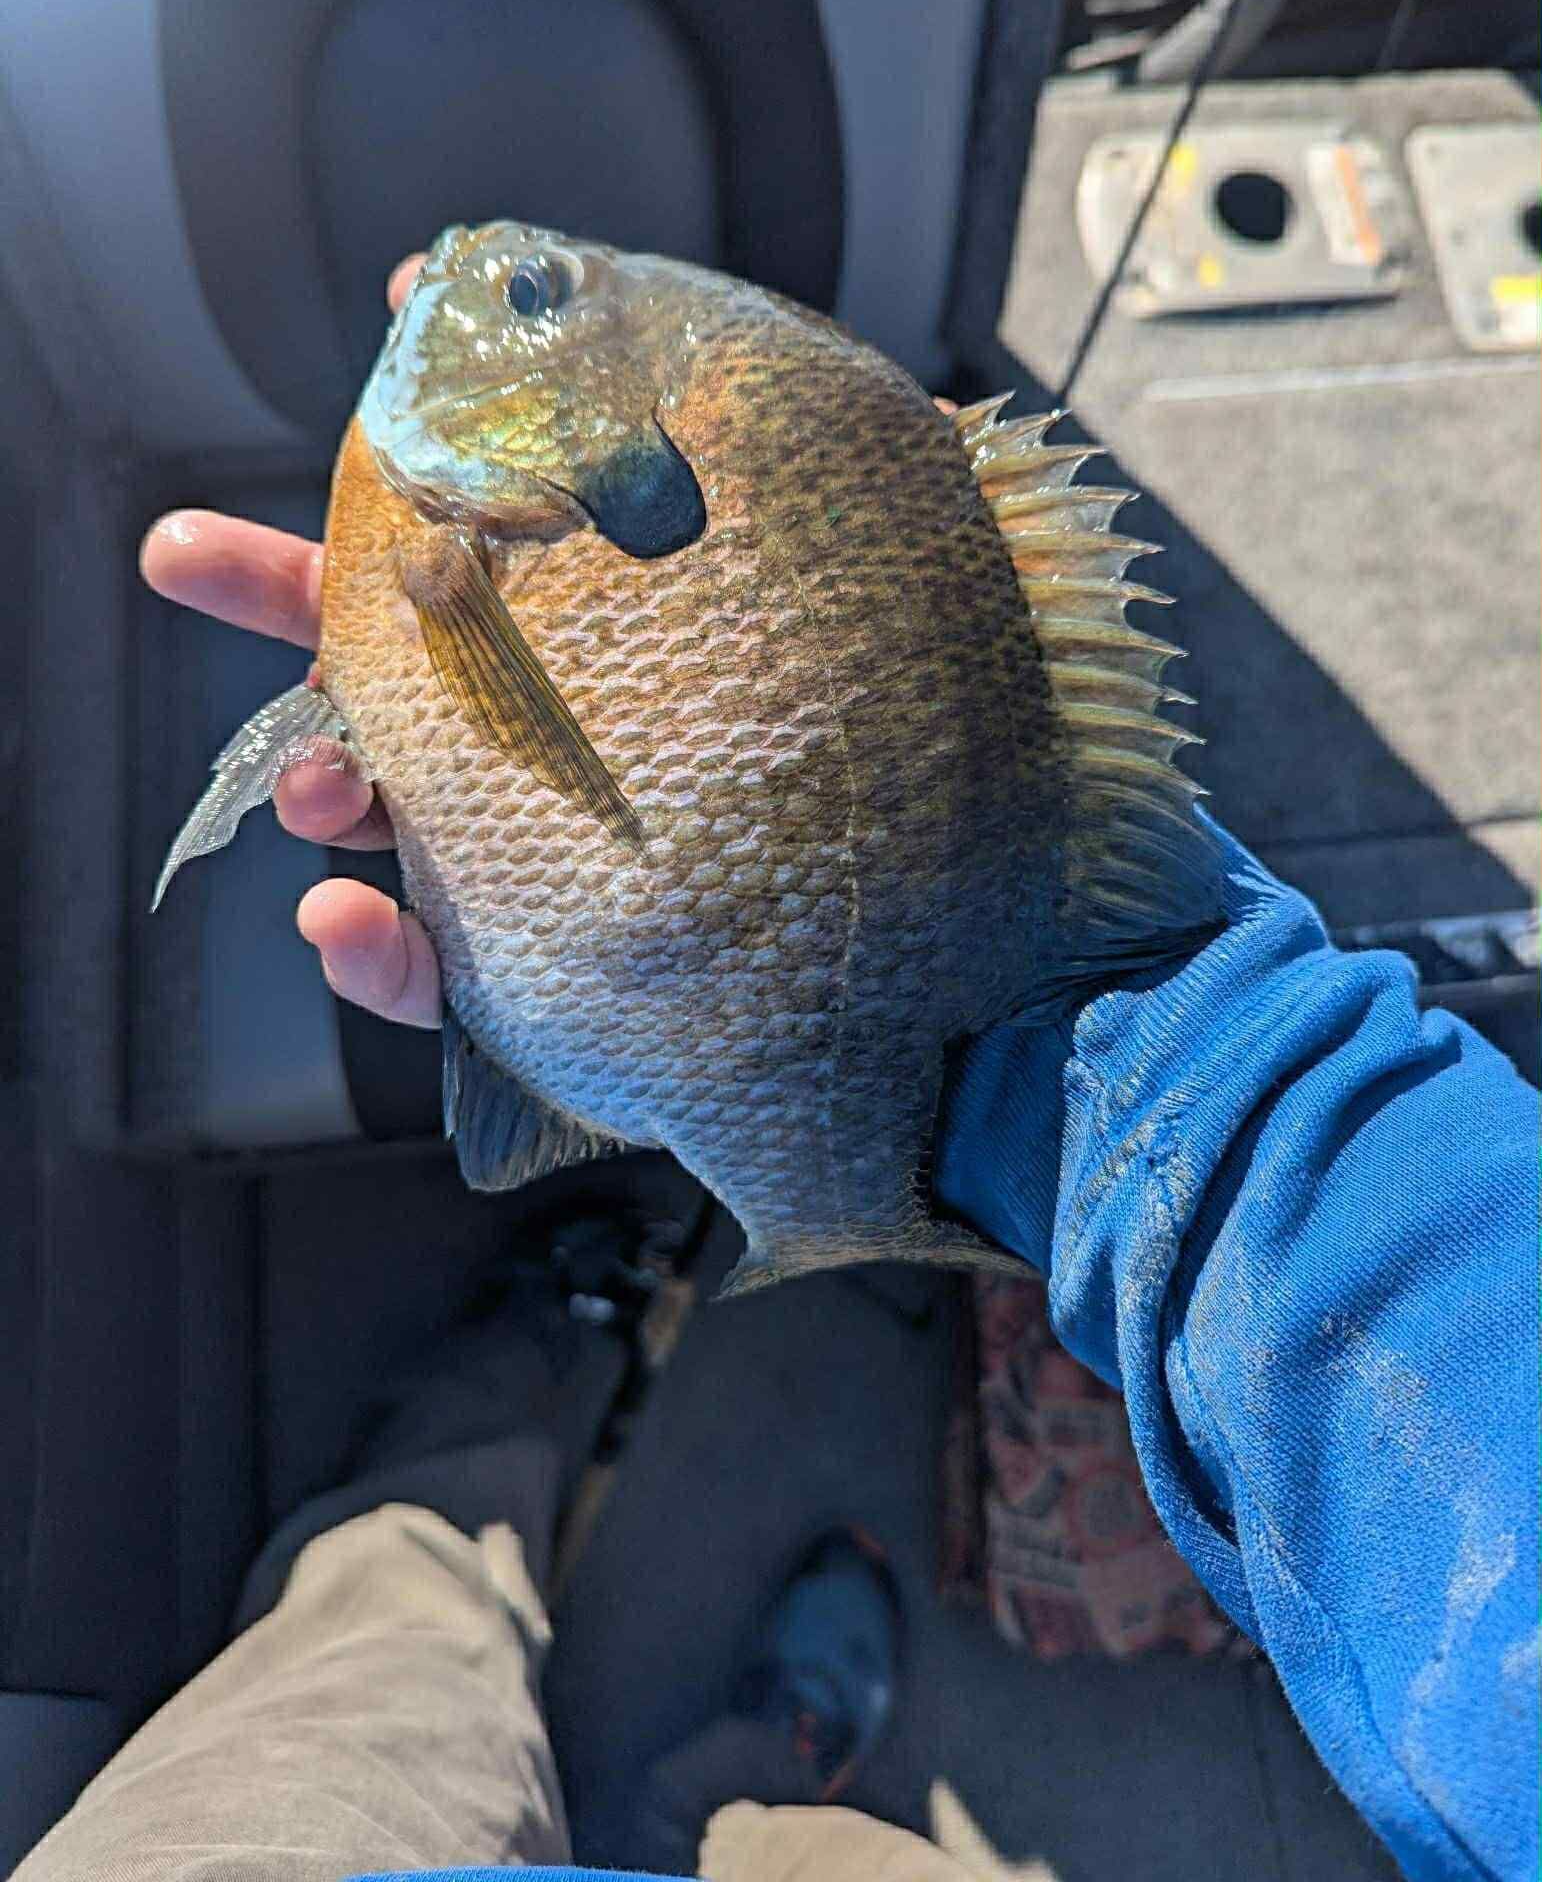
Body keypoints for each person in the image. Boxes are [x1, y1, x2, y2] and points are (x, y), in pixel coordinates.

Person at [18, 253, 1536, 1882]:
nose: (480, 277)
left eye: (531, 295)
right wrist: (1138, 1047)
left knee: (337, 1695)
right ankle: (763, 1776)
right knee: (717, 1819)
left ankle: (478, 1509)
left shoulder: (455, 531)